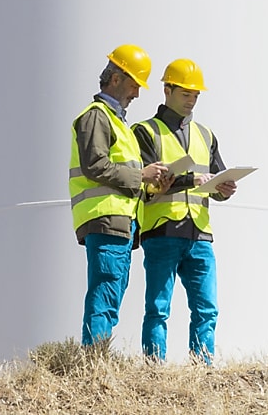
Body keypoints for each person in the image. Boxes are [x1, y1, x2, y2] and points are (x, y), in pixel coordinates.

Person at [134, 57, 238, 363]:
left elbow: (216, 176)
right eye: (185, 94)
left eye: (195, 95)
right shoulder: (145, 132)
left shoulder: (206, 135)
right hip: (162, 231)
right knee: (158, 307)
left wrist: (224, 189)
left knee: (207, 308)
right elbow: (147, 179)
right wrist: (192, 178)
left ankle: (201, 369)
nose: (191, 100)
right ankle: (154, 367)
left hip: (200, 234)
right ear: (166, 91)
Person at [69, 44, 171, 347]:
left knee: (111, 293)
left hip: (121, 223)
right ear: (116, 78)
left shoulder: (118, 123)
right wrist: (142, 175)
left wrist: (152, 185)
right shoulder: (96, 117)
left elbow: (123, 174)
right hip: (105, 219)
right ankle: (94, 363)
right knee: (105, 291)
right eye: (134, 84)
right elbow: (95, 166)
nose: (137, 94)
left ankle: (96, 360)